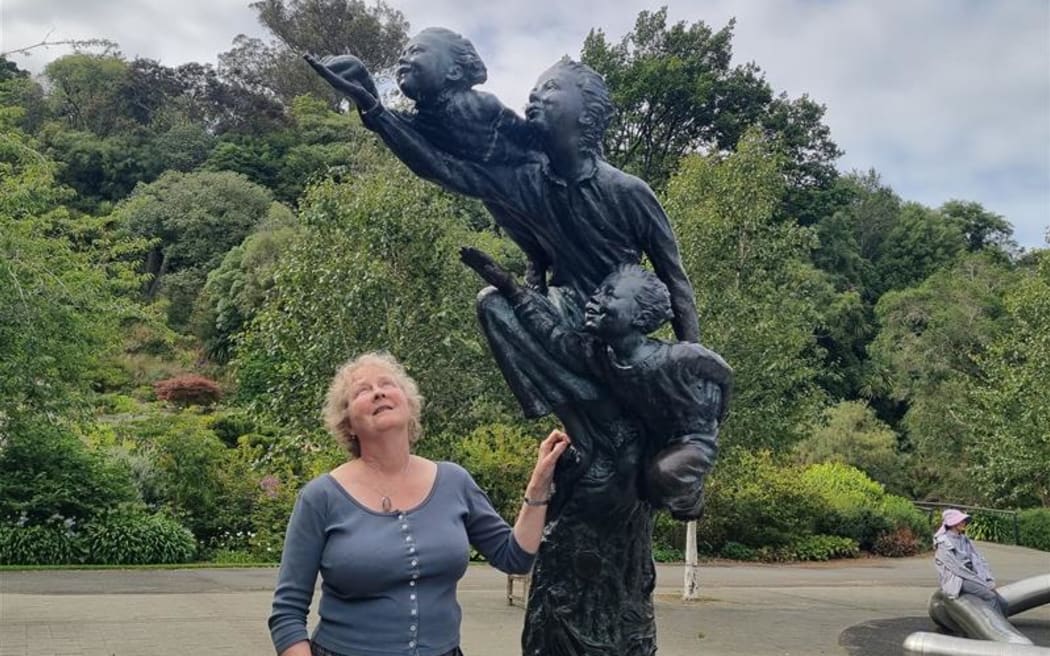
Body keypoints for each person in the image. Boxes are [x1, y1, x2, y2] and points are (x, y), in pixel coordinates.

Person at [268, 351, 570, 656]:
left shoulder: (455, 482)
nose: (378, 392)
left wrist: (539, 484)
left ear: (409, 405)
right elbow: (287, 614)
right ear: (348, 424)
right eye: (362, 391)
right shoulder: (320, 497)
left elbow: (515, 557)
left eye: (387, 384)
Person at [461, 248, 731, 520]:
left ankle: (688, 495)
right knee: (626, 478)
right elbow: (555, 338)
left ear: (639, 317)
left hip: (691, 438)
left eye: (610, 295)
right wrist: (510, 288)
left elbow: (723, 374)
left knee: (663, 477)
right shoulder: (600, 355)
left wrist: (716, 419)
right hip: (649, 433)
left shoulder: (679, 357)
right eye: (599, 292)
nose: (594, 300)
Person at [313, 28, 534, 166]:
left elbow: (527, 134)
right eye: (402, 55)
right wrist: (362, 79)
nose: (402, 60)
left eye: (416, 51)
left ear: (454, 72)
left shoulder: (482, 105)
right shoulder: (424, 119)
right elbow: (385, 121)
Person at [933, 508, 1007, 615]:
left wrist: (987, 578)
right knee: (990, 597)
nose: (964, 523)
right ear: (953, 523)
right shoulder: (943, 543)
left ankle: (1004, 626)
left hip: (972, 576)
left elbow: (979, 560)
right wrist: (981, 583)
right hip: (958, 580)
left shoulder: (964, 540)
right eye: (961, 521)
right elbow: (958, 569)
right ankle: (994, 628)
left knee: (1003, 602)